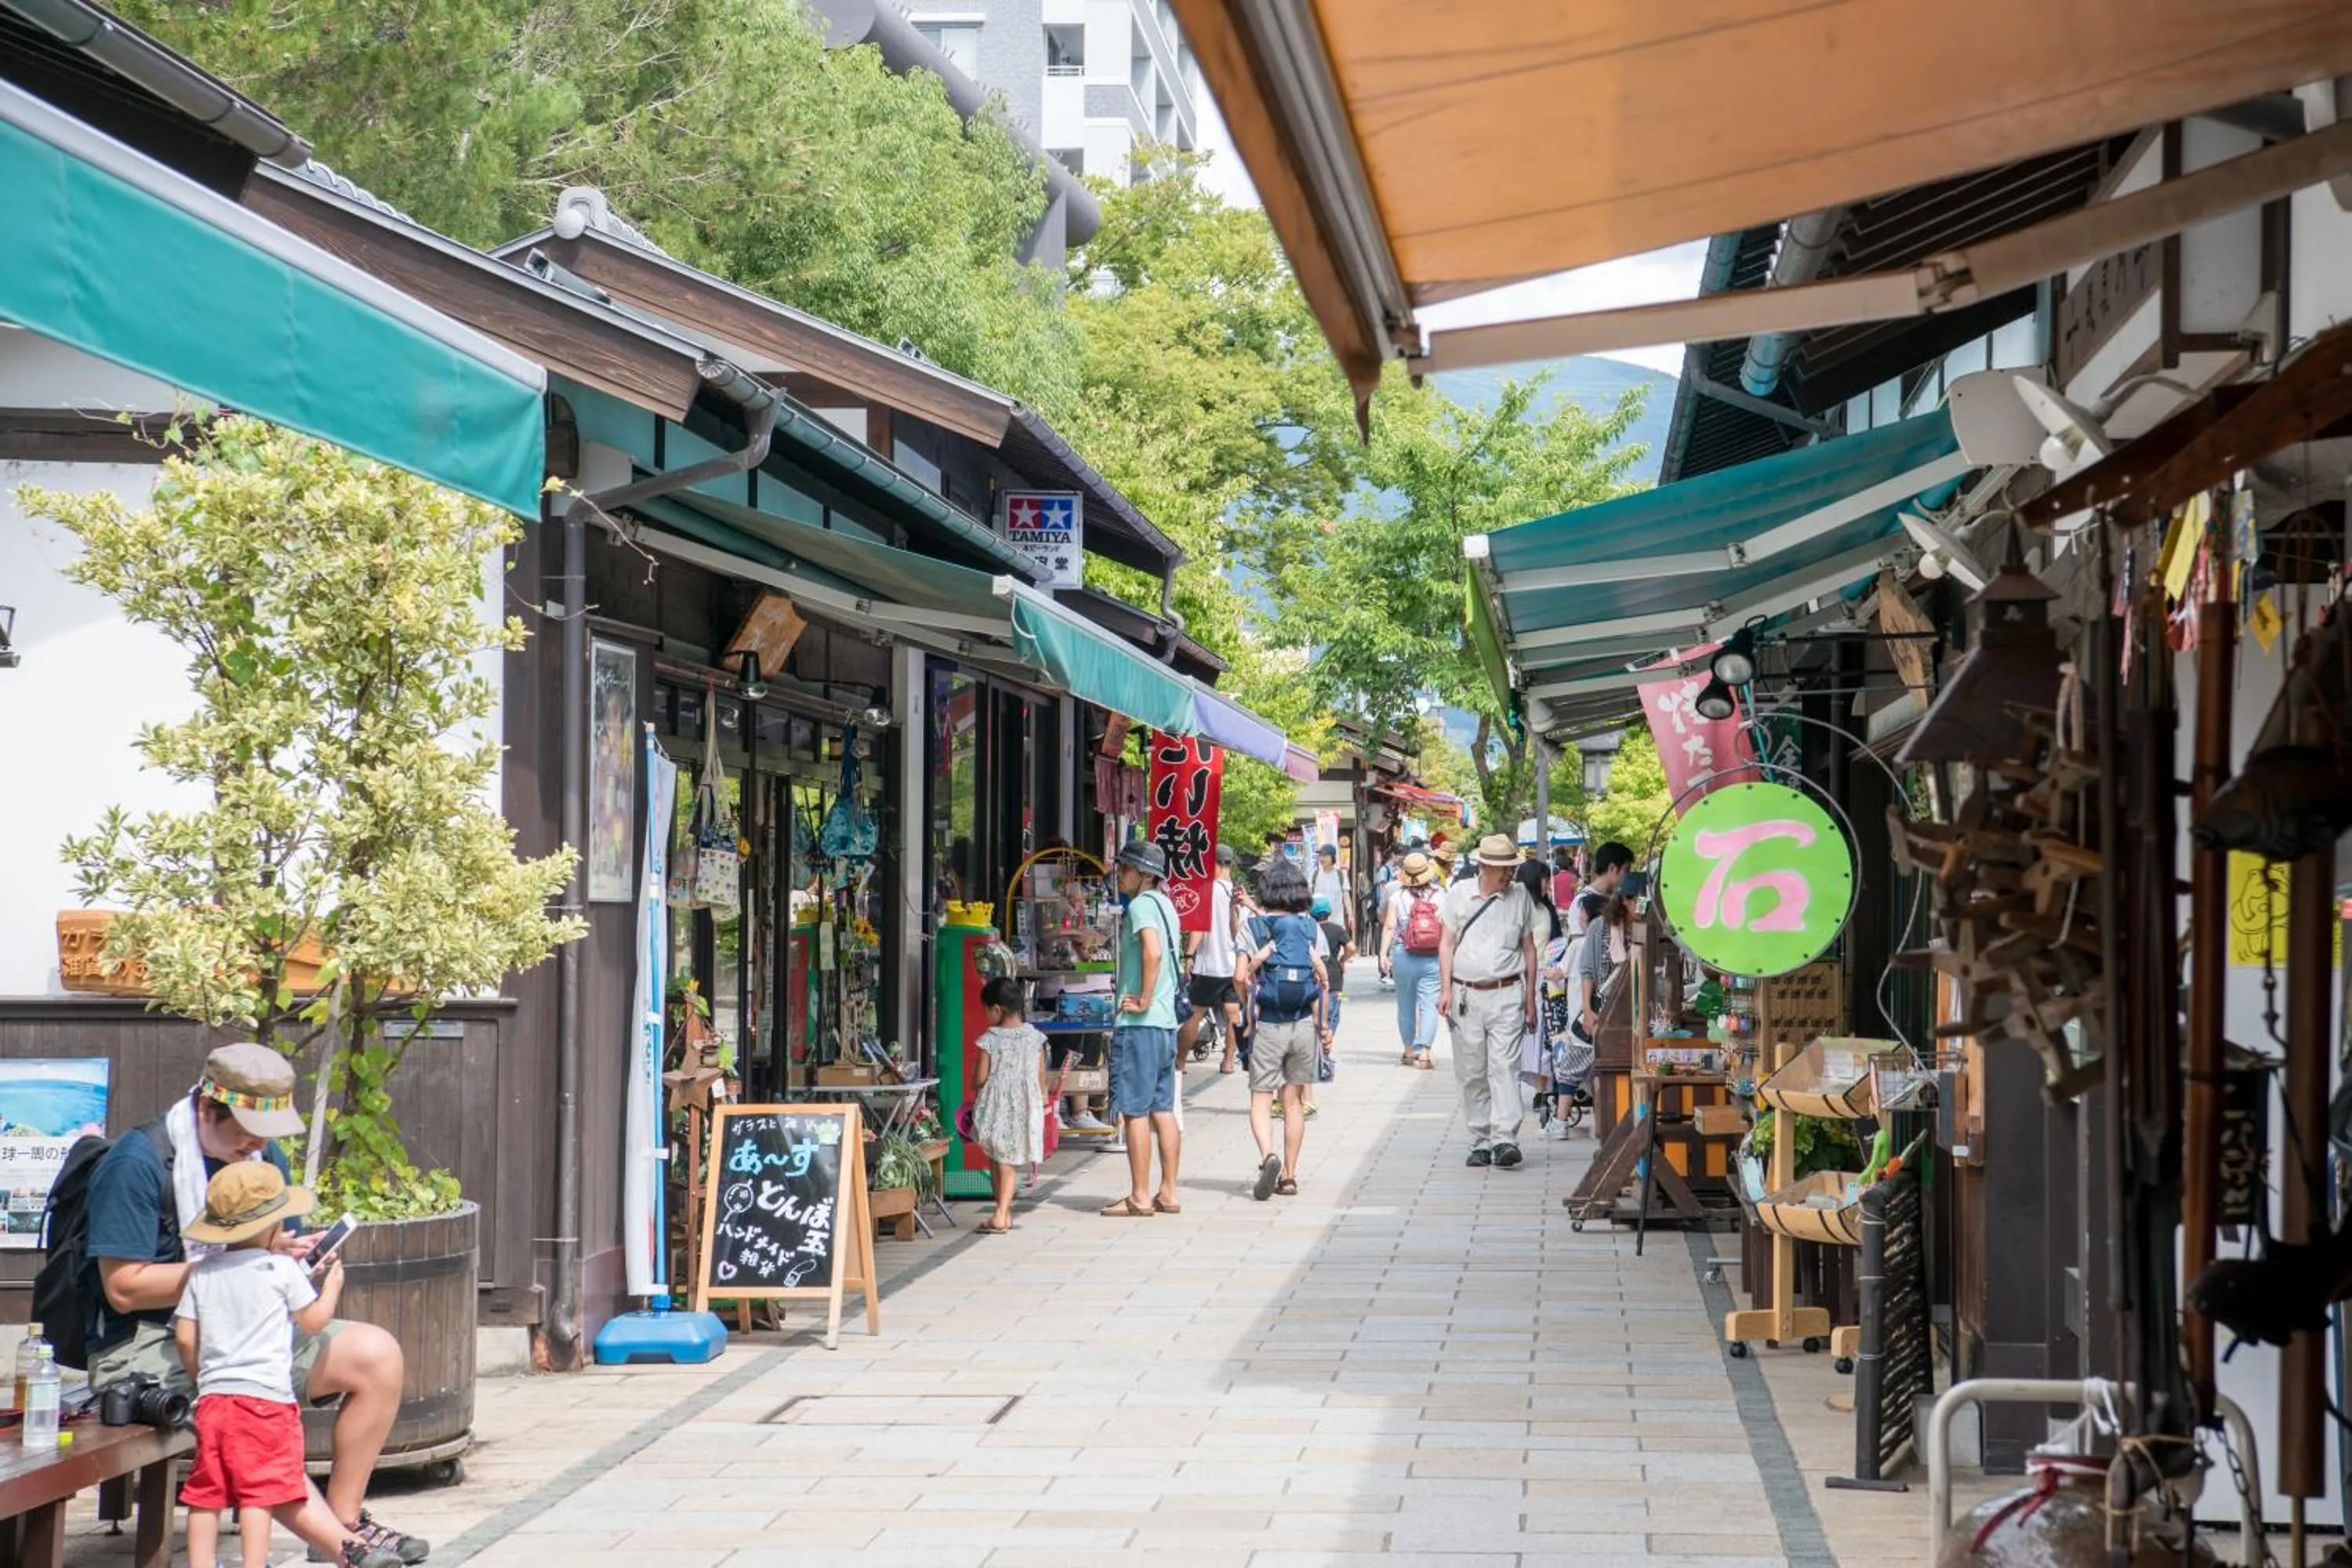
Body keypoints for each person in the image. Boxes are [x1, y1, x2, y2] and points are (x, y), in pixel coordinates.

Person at [84, 1044, 426, 1564]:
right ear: (205, 1109)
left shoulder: (263, 1156)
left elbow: (273, 1251)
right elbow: (124, 1288)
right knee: (250, 1419)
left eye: (264, 1135)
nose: (254, 1145)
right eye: (242, 1131)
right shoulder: (138, 1162)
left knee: (377, 1355)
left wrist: (285, 1260)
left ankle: (344, 1517)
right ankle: (345, 1548)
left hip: (248, 1329)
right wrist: (229, 1273)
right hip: (147, 1341)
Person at [173, 1164, 402, 1568]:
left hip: (214, 1402)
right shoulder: (280, 1269)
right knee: (259, 1491)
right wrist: (330, 1287)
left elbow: (186, 1338)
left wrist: (203, 1379)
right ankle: (254, 1563)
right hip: (265, 1403)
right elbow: (313, 1322)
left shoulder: (203, 1274)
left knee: (205, 1490)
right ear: (271, 1225)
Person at [1439, 834, 1541, 1169]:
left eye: (1511, 869)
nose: (1509, 875)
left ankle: (1505, 1138)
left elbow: (1529, 948)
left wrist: (1530, 1000)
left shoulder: (1520, 896)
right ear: (1484, 866)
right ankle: (1480, 1139)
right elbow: (1446, 944)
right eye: (1502, 869)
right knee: (1471, 1071)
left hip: (1508, 992)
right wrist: (1445, 990)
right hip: (1466, 994)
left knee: (1505, 1068)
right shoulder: (1459, 895)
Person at [1103, 840, 1182, 1218]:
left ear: (1146, 874)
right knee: (1162, 1109)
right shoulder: (1167, 905)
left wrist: (1144, 998)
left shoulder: (1141, 906)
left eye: (1127, 869)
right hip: (1167, 1024)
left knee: (1135, 1110)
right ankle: (1168, 1192)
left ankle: (1139, 1195)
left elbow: (1152, 952)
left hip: (1141, 1023)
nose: (1121, 874)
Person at [1241, 862, 1330, 1200]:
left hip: (1268, 1022)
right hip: (1304, 1024)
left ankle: (1268, 1157)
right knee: (1292, 1102)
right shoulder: (1311, 929)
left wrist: (1247, 1006)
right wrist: (1325, 1026)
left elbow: (1240, 975)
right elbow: (1323, 979)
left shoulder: (1253, 927)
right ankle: (1290, 1175)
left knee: (1261, 1098)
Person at [970, 976, 1048, 1235]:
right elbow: (1040, 1077)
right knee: (1003, 1159)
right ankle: (1002, 1210)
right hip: (1026, 1105)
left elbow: (980, 1079)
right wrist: (1043, 1105)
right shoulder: (1034, 1038)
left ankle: (1001, 1213)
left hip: (997, 1107)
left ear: (996, 1009)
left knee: (1001, 1159)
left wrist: (975, 1078)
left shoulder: (990, 1038)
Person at [1179, 844, 1247, 1075]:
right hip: (1234, 965)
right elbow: (1240, 931)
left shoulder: (1206, 890)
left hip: (1209, 964)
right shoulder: (1239, 892)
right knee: (1233, 1014)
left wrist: (1188, 955)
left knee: (1195, 1013)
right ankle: (1228, 1062)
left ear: (1213, 863)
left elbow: (1198, 929)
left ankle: (1179, 1063)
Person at [1378, 851, 1444, 1070]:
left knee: (1405, 1005)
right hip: (1433, 957)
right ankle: (1425, 1052)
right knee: (1428, 1005)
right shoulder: (1440, 895)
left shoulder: (1397, 897)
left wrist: (1383, 954)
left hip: (1404, 955)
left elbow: (1389, 926)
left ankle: (1409, 1050)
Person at [1570, 840, 1635, 938]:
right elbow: (1578, 944)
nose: (1628, 875)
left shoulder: (1619, 899)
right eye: (1626, 870)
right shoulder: (1582, 902)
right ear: (1612, 868)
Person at [1309, 844, 1352, 938]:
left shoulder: (1341, 875)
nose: (1322, 859)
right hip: (1318, 919)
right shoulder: (1315, 875)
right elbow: (1309, 895)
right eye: (1320, 856)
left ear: (1332, 857)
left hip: (1337, 919)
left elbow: (1346, 896)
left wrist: (1350, 915)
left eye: (1325, 856)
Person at [1550, 845, 1581, 915]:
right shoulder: (1573, 877)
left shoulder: (1555, 878)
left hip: (1558, 908)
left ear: (1558, 866)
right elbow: (1576, 891)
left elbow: (1552, 892)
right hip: (1571, 908)